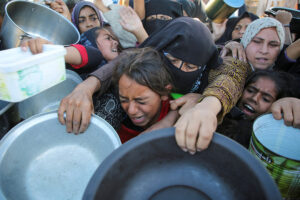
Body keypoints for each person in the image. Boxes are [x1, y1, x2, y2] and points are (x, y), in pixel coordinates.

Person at [58, 17, 251, 154]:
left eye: (190, 66)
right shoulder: (155, 52)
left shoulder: (211, 61)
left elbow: (233, 74)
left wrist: (207, 105)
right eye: (174, 61)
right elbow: (126, 60)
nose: (180, 70)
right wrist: (85, 88)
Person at [217, 70, 297, 147]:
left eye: (265, 99)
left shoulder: (270, 141)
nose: (254, 98)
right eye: (250, 90)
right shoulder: (217, 112)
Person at [112, 47, 173, 143]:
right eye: (124, 100)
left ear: (164, 93)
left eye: (141, 101)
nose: (131, 111)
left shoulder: (179, 112)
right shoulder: (115, 119)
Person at [221, 17, 285, 70]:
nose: (264, 51)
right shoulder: (231, 65)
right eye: (257, 42)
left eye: (273, 45)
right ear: (245, 41)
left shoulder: (285, 74)